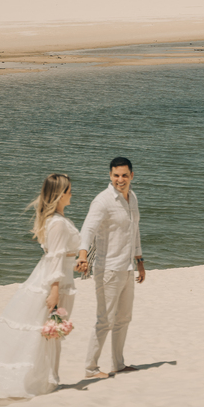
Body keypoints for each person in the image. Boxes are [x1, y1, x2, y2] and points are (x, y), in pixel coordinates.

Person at [0, 173, 84, 400]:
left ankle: (47, 379)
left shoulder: (57, 219)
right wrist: (55, 291)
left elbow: (59, 255)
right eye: (69, 190)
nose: (72, 193)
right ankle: (43, 382)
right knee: (49, 332)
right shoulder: (58, 223)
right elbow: (55, 258)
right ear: (60, 194)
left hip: (57, 279)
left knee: (50, 332)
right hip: (56, 283)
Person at [76, 156, 145, 379]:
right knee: (104, 320)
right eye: (116, 175)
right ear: (110, 176)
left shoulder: (132, 198)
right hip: (107, 269)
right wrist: (83, 255)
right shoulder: (102, 201)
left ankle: (118, 363)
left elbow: (134, 232)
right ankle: (90, 368)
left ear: (132, 176)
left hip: (126, 268)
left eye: (125, 175)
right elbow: (87, 229)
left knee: (124, 318)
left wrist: (140, 261)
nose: (120, 179)